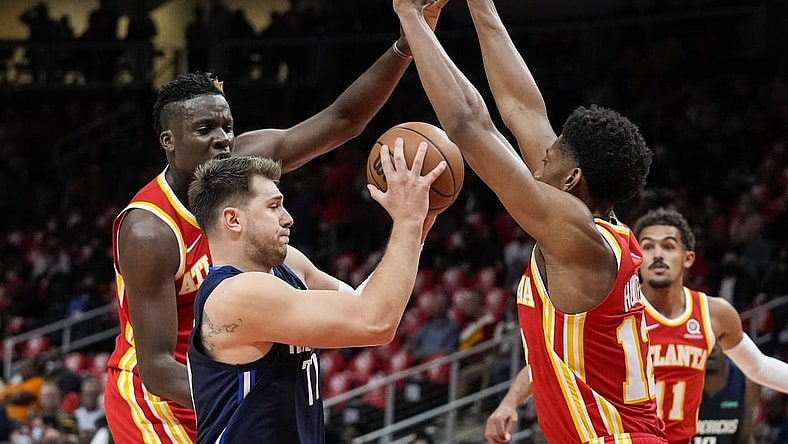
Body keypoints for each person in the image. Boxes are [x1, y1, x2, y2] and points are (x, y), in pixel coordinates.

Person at [103, 4, 449, 442]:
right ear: (169, 142)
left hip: (236, 368)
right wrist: (231, 388)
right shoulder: (149, 230)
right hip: (161, 401)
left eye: (226, 126)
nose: (222, 140)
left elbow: (342, 121)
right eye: (205, 129)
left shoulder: (245, 173)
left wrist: (406, 44)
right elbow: (155, 367)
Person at [393, 0, 664, 442]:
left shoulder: (578, 237)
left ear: (573, 177)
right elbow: (523, 108)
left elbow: (467, 126)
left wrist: (410, 17)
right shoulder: (595, 227)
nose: (542, 154)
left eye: (554, 150)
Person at [185, 148, 443, 442]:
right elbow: (375, 322)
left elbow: (362, 301)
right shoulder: (235, 295)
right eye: (274, 207)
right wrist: (407, 222)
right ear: (233, 220)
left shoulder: (288, 265)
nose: (289, 218)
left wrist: (416, 233)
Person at [632, 208, 788, 444]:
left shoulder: (715, 313)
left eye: (668, 246)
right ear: (637, 257)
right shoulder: (620, 312)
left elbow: (758, 368)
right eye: (648, 246)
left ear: (688, 258)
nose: (657, 254)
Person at [693, 344, 760, 444]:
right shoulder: (681, 381)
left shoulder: (746, 382)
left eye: (718, 341)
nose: (713, 348)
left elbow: (745, 438)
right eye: (709, 339)